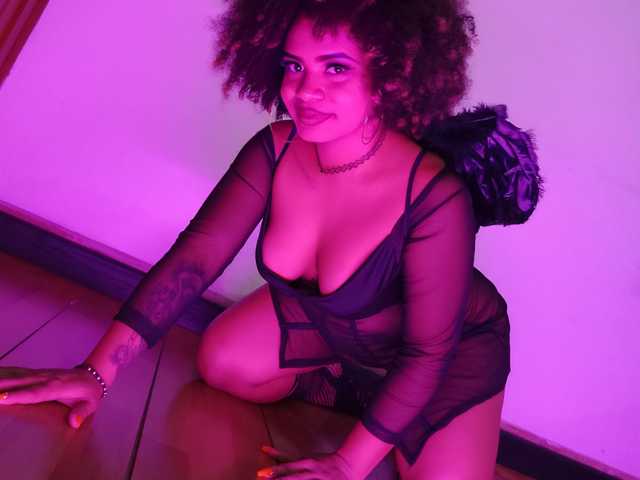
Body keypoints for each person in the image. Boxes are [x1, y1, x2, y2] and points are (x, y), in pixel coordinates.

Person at [0, 1, 544, 479]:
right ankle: (358, 389)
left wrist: (346, 465)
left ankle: (392, 415)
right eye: (294, 65)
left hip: (451, 350)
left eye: (336, 68)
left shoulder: (435, 196)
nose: (305, 91)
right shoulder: (276, 149)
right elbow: (195, 259)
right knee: (222, 361)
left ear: (389, 77)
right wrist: (95, 373)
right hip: (338, 325)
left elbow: (428, 352)